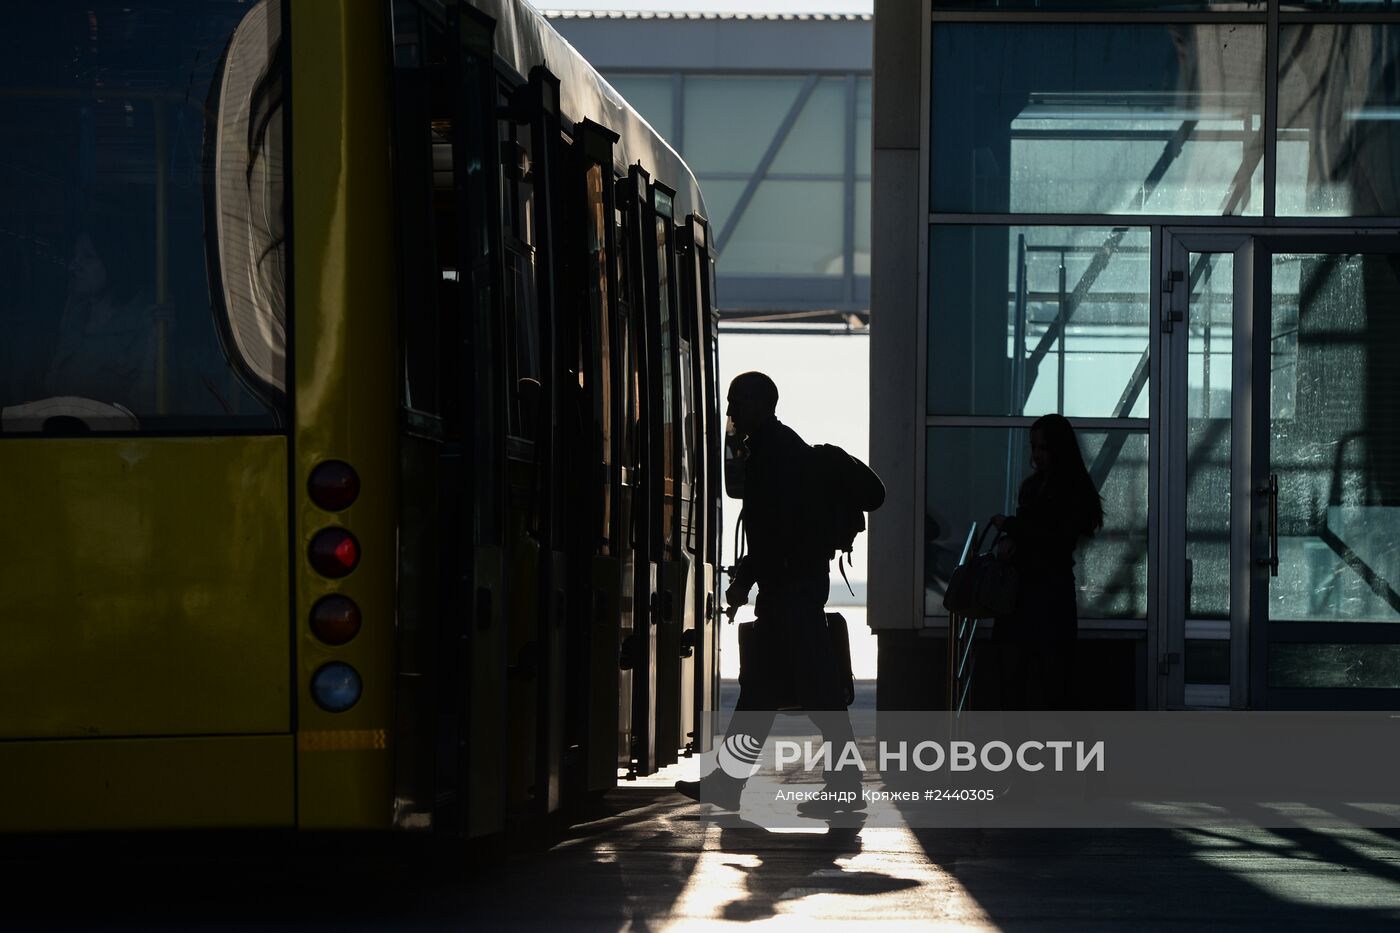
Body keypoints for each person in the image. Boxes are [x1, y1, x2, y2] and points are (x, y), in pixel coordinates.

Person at [676, 371, 861, 816]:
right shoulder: (781, 448)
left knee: (817, 694)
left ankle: (844, 785)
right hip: (794, 587)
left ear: (760, 404)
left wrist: (743, 582)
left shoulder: (770, 455)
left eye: (736, 401)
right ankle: (729, 782)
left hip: (790, 591)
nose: (729, 411)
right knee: (765, 690)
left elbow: (770, 532)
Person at [991, 413, 1104, 710]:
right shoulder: (1053, 488)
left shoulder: (1064, 490)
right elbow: (1052, 539)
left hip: (1041, 596)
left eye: (1043, 448)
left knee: (1044, 685)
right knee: (1033, 683)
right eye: (1034, 448)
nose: (1036, 455)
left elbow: (1052, 538)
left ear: (1058, 448)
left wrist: (1011, 527)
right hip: (1039, 594)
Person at [41, 224, 158, 415]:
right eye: (75, 256)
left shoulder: (145, 323)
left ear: (113, 261)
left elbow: (145, 402)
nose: (73, 266)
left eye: (87, 257)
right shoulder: (73, 316)